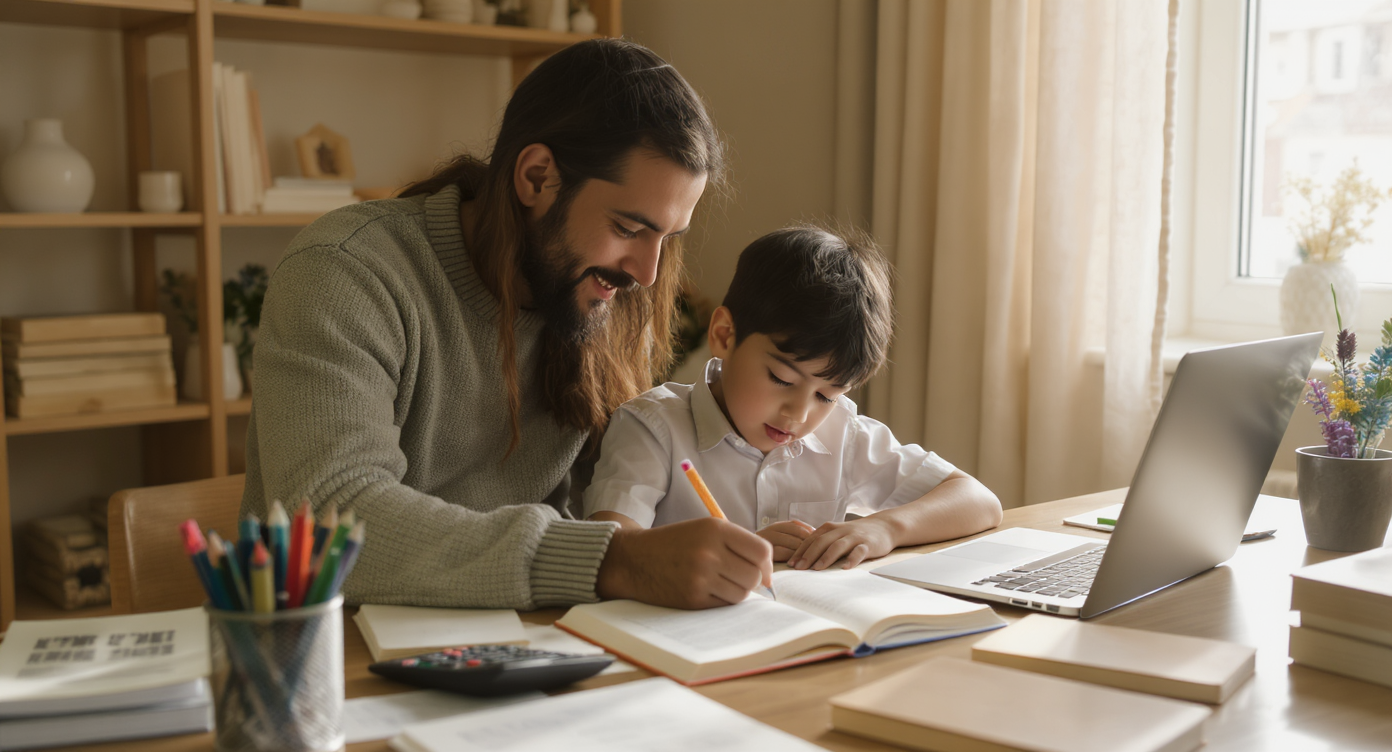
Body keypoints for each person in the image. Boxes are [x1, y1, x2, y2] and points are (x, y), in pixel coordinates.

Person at [241, 39, 776, 612]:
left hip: (524, 645)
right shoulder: (344, 272)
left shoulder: (600, 294)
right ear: (537, 176)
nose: (646, 274)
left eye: (667, 239)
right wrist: (612, 561)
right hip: (336, 656)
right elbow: (333, 523)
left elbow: (622, 492)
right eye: (628, 227)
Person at [583, 226, 1003, 571]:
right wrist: (736, 553)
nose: (799, 414)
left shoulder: (843, 435)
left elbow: (978, 502)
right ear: (725, 335)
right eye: (782, 379)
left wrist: (885, 528)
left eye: (826, 395)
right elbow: (607, 554)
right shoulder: (652, 430)